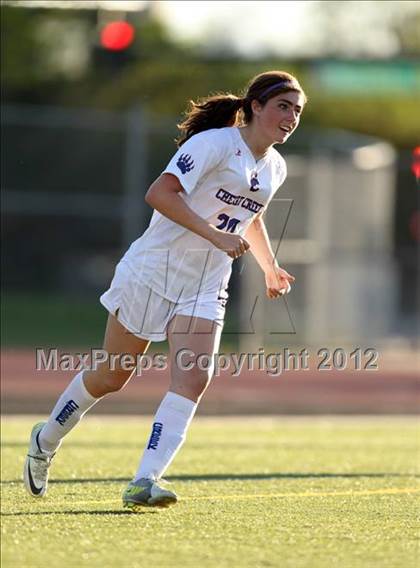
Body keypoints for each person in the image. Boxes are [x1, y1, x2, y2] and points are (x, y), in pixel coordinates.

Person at [24, 70, 306, 510]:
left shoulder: (275, 166)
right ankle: (44, 438)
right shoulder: (214, 144)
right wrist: (214, 236)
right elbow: (160, 193)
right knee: (112, 376)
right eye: (283, 106)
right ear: (254, 106)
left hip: (205, 283)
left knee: (195, 376)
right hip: (153, 272)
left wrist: (269, 266)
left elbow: (250, 215)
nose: (291, 117)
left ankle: (145, 480)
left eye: (298, 110)